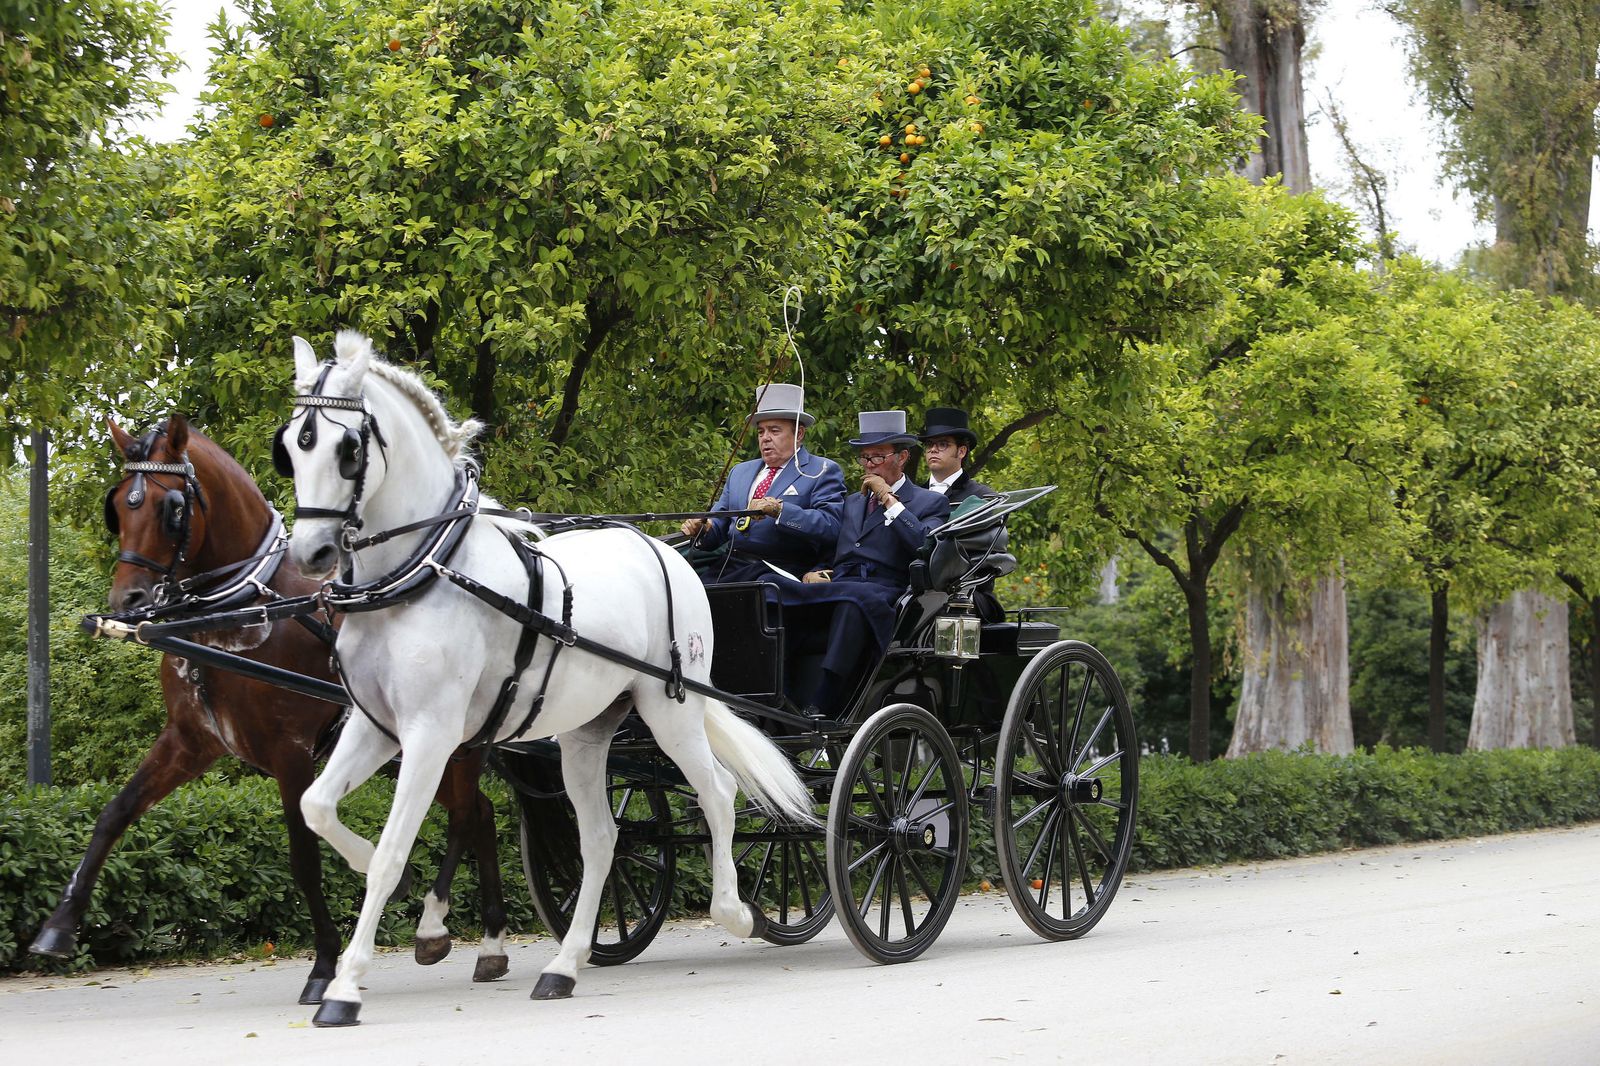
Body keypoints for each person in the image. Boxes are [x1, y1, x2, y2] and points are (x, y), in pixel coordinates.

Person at [782, 410, 950, 717]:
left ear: (902, 457)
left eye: (877, 457)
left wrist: (889, 500)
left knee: (853, 603)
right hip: (840, 585)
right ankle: (778, 695)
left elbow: (925, 546)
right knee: (777, 596)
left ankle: (825, 698)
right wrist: (814, 571)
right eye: (864, 458)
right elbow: (831, 546)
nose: (869, 465)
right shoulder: (851, 502)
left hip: (885, 593)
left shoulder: (930, 502)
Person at [681, 383, 845, 584]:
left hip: (780, 572)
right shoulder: (740, 472)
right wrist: (703, 528)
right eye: (761, 432)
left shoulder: (821, 470)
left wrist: (781, 511)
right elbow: (720, 526)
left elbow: (832, 526)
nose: (765, 438)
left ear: (799, 434)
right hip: (730, 567)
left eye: (774, 431)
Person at [918, 406, 1004, 623]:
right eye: (929, 444)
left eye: (943, 444)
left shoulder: (982, 497)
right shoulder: (913, 494)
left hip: (962, 594)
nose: (933, 450)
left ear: (962, 451)